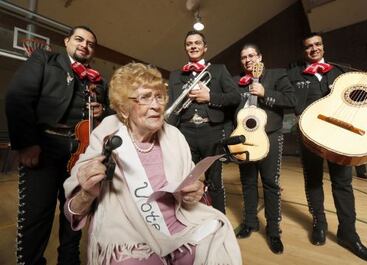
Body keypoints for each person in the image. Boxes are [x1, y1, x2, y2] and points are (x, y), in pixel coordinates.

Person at [63, 63, 242, 265]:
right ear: (123, 108)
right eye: (145, 97)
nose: (156, 105)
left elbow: (193, 183)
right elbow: (72, 212)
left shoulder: (174, 135)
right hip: (130, 236)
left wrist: (196, 193)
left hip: (178, 225)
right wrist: (87, 193)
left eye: (159, 96)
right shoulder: (106, 135)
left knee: (216, 236)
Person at [6, 26, 107, 265]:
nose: (84, 45)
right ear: (67, 41)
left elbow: (110, 115)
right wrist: (28, 143)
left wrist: (104, 110)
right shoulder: (45, 59)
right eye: (79, 39)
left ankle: (69, 261)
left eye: (90, 43)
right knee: (37, 216)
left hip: (81, 153)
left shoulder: (98, 80)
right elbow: (18, 96)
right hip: (45, 147)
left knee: (75, 213)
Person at [288, 32, 367, 263]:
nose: (314, 49)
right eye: (308, 46)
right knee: (312, 181)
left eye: (317, 44)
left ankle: (348, 233)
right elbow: (284, 96)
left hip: (342, 136)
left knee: (343, 183)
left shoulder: (343, 70)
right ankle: (319, 225)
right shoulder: (292, 74)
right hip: (309, 135)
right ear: (303, 51)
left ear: (323, 46)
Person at [167, 31, 240, 213]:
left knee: (214, 180)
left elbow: (235, 97)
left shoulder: (218, 70)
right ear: (186, 48)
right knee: (188, 180)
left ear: (204, 47)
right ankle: (191, 219)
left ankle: (219, 219)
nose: (193, 46)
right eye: (189, 43)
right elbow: (172, 104)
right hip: (185, 132)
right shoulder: (175, 75)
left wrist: (210, 97)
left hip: (211, 131)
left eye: (197, 43)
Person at [233, 44, 296, 254]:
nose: (248, 59)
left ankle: (274, 230)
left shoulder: (277, 75)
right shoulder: (236, 81)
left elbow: (291, 101)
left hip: (270, 136)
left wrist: (265, 92)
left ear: (260, 56)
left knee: (270, 183)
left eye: (251, 55)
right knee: (248, 182)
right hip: (245, 138)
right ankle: (250, 222)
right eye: (244, 57)